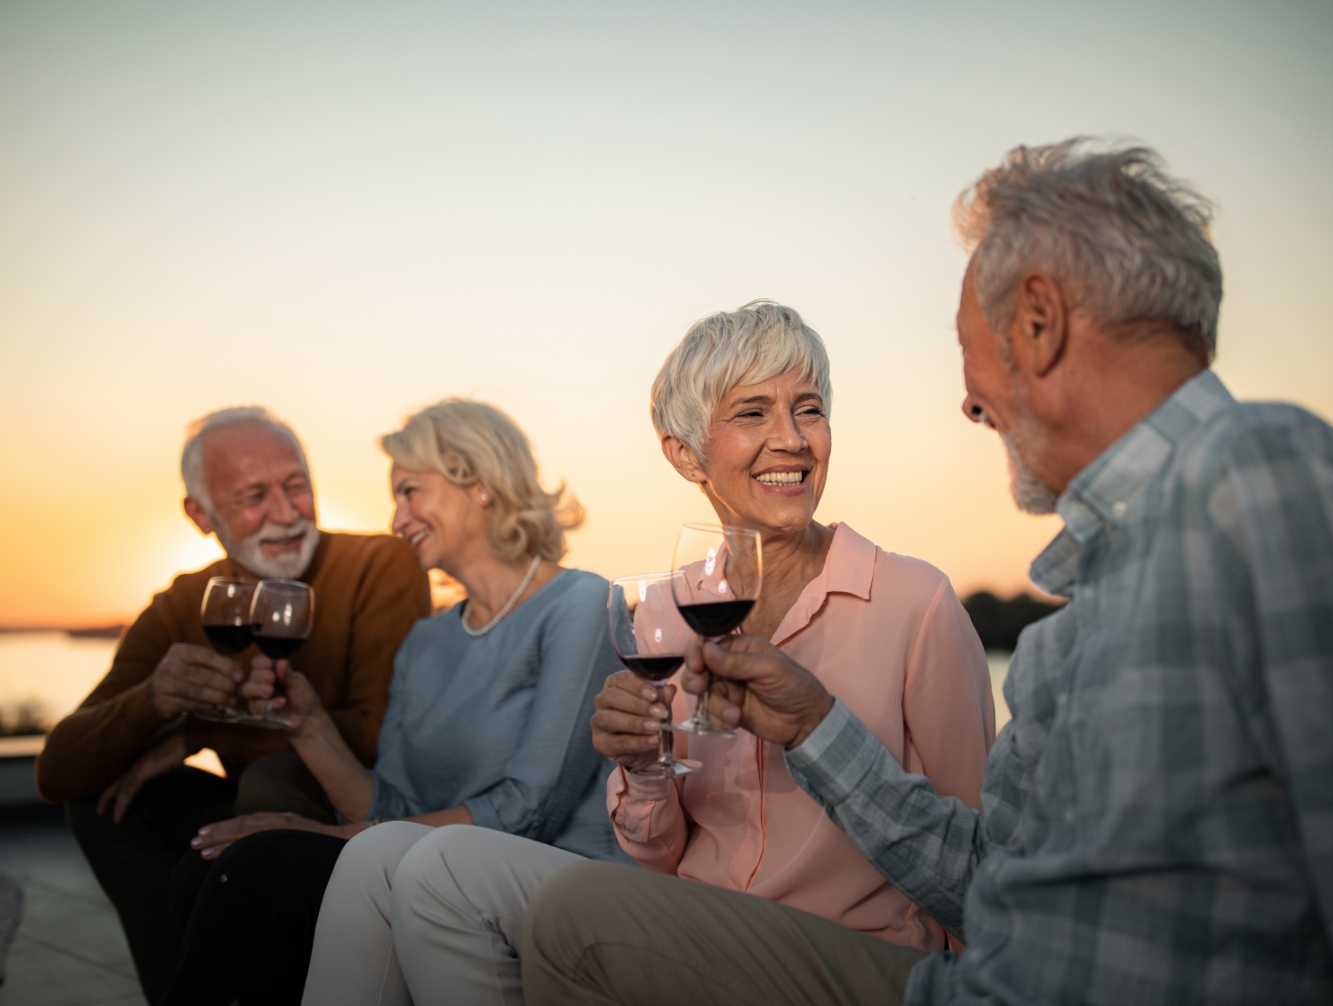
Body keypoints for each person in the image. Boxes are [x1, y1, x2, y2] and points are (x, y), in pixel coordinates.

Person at [518, 141, 1333, 1005]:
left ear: (1038, 321)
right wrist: (817, 727)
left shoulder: (1266, 478)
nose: (969, 397)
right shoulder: (1087, 609)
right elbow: (989, 883)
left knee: (570, 925)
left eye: (966, 345)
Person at [299, 303, 995, 1006]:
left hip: (839, 955)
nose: (791, 439)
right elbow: (656, 853)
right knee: (390, 857)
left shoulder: (915, 601)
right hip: (692, 925)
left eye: (808, 409)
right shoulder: (665, 610)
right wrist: (643, 769)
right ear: (685, 454)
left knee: (445, 870)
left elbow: (976, 853)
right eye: (752, 413)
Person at [155, 397, 627, 1006]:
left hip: (545, 881)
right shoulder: (427, 640)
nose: (397, 518)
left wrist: (327, 831)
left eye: (409, 491)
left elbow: (527, 809)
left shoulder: (580, 605)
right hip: (412, 868)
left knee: (258, 867)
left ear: (477, 482)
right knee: (210, 867)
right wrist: (308, 727)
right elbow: (392, 803)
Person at [33, 405, 429, 1003]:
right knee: (101, 805)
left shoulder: (377, 564)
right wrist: (150, 702)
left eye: (298, 485)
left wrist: (201, 734)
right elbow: (55, 771)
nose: (288, 512)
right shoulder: (187, 602)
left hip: (356, 821)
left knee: (273, 777)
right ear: (200, 514)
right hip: (248, 811)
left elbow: (379, 735)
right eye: (254, 496)